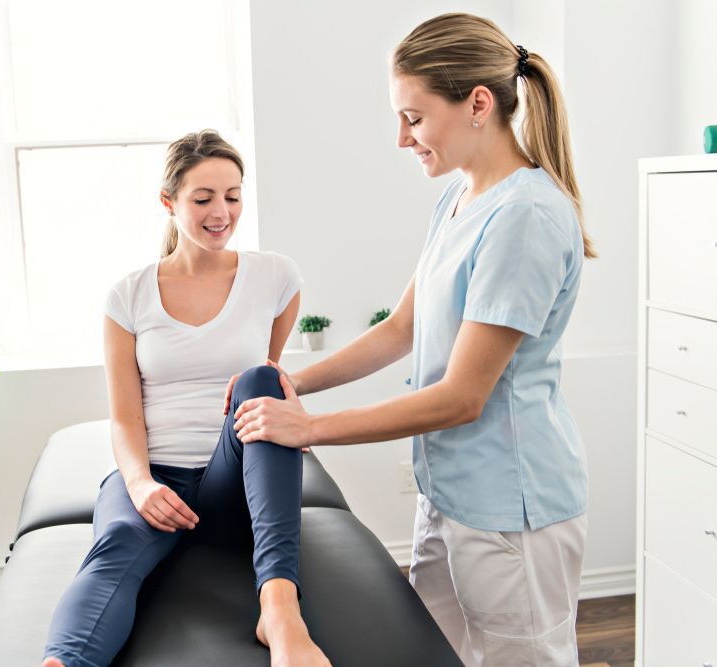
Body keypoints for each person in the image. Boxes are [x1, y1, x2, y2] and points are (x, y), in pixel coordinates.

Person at [226, 13, 596, 666]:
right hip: (448, 493)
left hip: (511, 510)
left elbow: (461, 397)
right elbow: (402, 329)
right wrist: (291, 380)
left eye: (414, 117)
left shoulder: (526, 218)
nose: (402, 138)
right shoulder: (458, 199)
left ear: (477, 103)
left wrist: (306, 428)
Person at [41, 130, 330, 667]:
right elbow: (125, 416)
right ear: (169, 202)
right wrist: (140, 484)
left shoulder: (276, 277)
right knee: (116, 546)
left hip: (233, 481)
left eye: (233, 196)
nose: (221, 212)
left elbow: (271, 386)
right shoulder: (127, 294)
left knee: (261, 380)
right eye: (203, 199)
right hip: (157, 480)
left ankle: (282, 618)